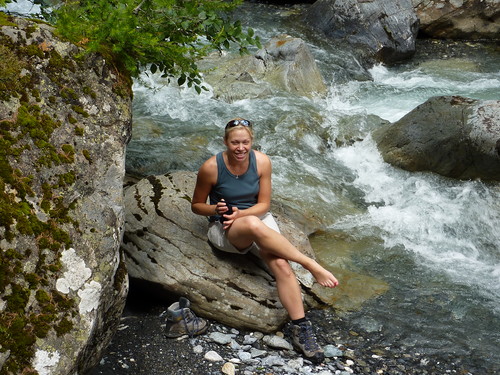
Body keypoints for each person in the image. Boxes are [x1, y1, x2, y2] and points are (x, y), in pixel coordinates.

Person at [191, 118, 339, 363]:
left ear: (252, 141)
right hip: (225, 228)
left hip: (256, 218)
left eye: (245, 142)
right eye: (235, 143)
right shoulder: (211, 168)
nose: (241, 148)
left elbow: (264, 204)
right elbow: (196, 206)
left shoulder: (262, 162)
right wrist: (216, 210)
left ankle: (301, 328)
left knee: (281, 264)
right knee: (251, 225)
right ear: (225, 142)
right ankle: (310, 264)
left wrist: (243, 213)